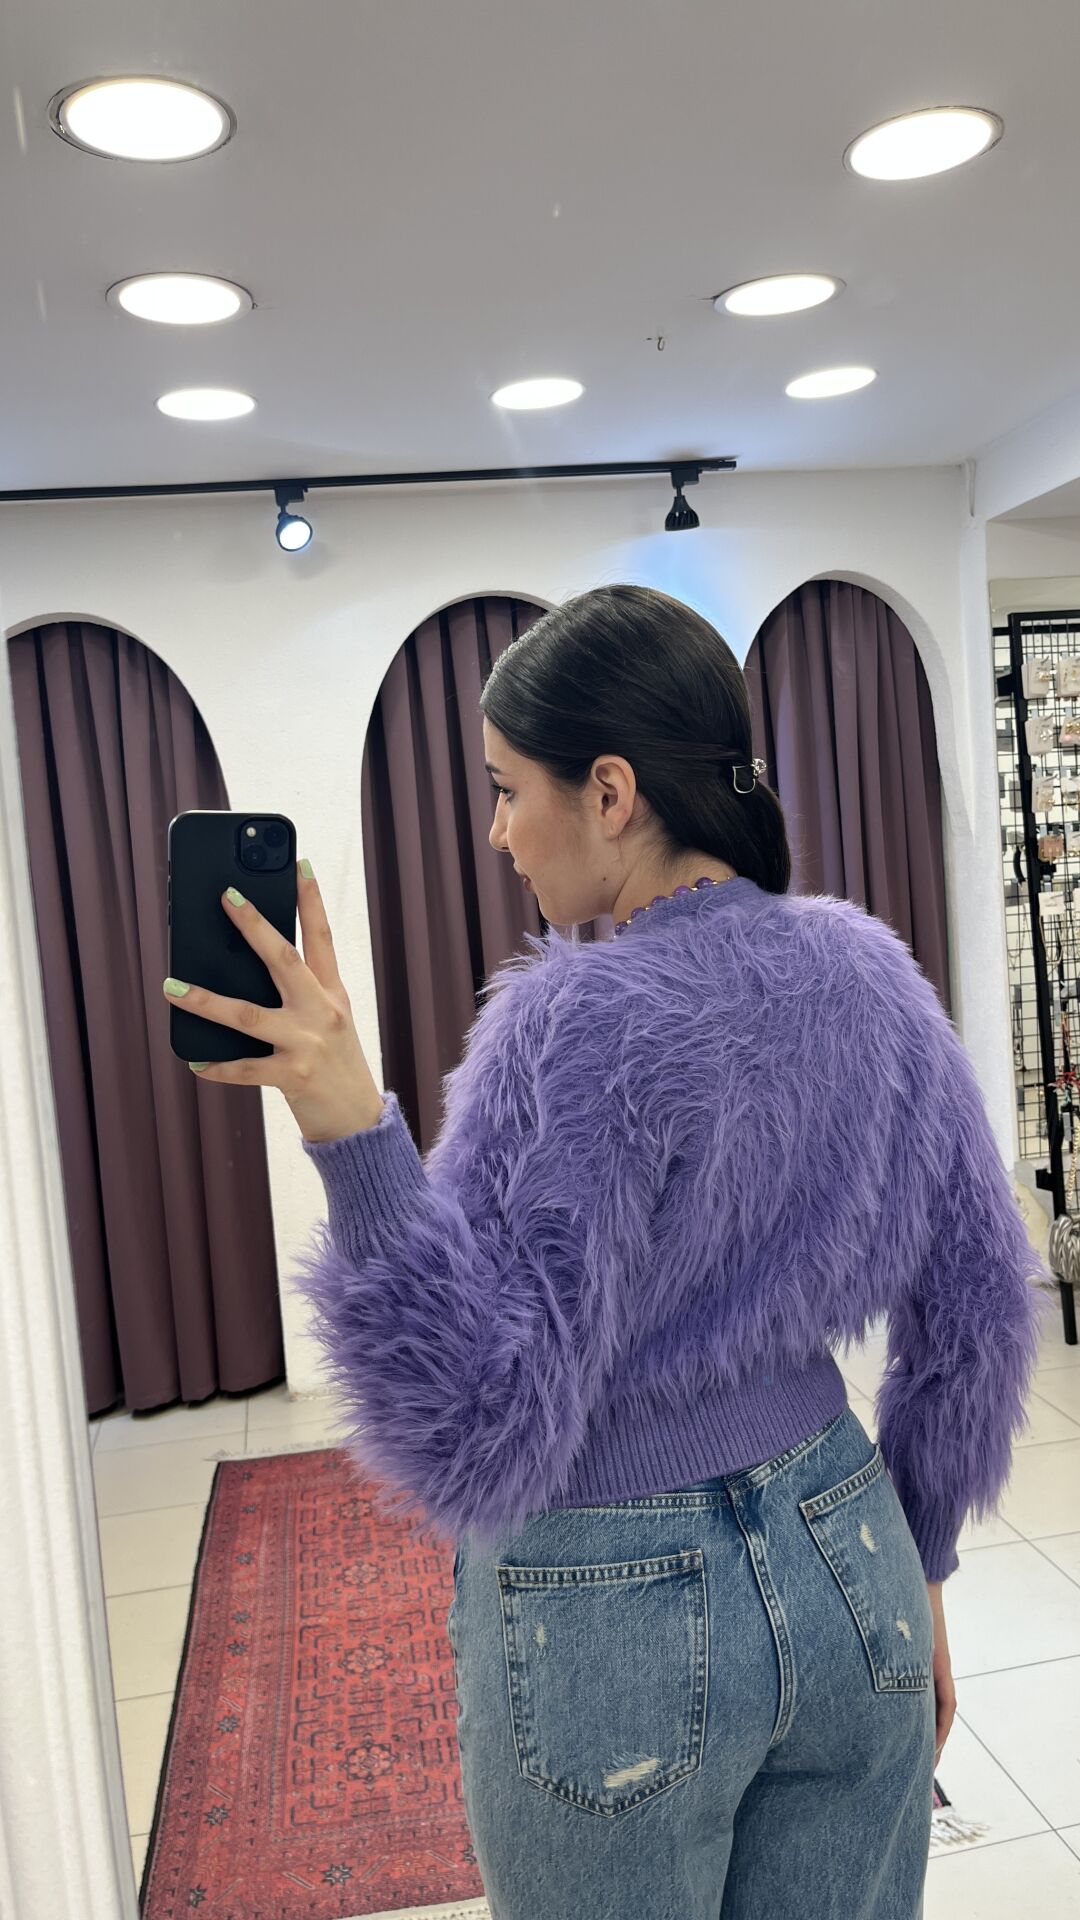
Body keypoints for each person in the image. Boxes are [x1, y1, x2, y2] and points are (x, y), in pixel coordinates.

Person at [292, 583, 1053, 1920]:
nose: (496, 831)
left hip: (611, 1610)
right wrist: (921, 1563)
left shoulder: (569, 1026)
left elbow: (471, 1418)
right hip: (849, 1552)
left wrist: (351, 1127)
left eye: (507, 790)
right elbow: (983, 1304)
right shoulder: (870, 975)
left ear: (610, 792)